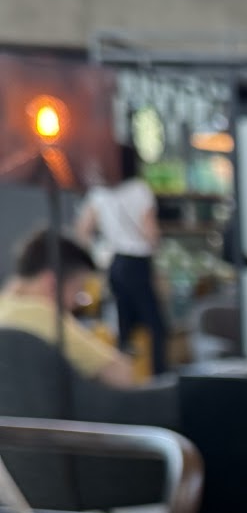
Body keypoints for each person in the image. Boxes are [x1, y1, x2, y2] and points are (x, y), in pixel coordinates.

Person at [76, 144, 169, 375]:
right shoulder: (139, 190)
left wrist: (98, 255)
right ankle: (159, 376)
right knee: (155, 325)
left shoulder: (99, 193)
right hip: (138, 262)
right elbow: (150, 233)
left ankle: (124, 375)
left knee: (124, 325)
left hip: (115, 263)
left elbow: (83, 230)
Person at [0, 229, 135, 386]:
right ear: (52, 283)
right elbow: (122, 375)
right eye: (78, 291)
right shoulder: (41, 315)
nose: (78, 303)